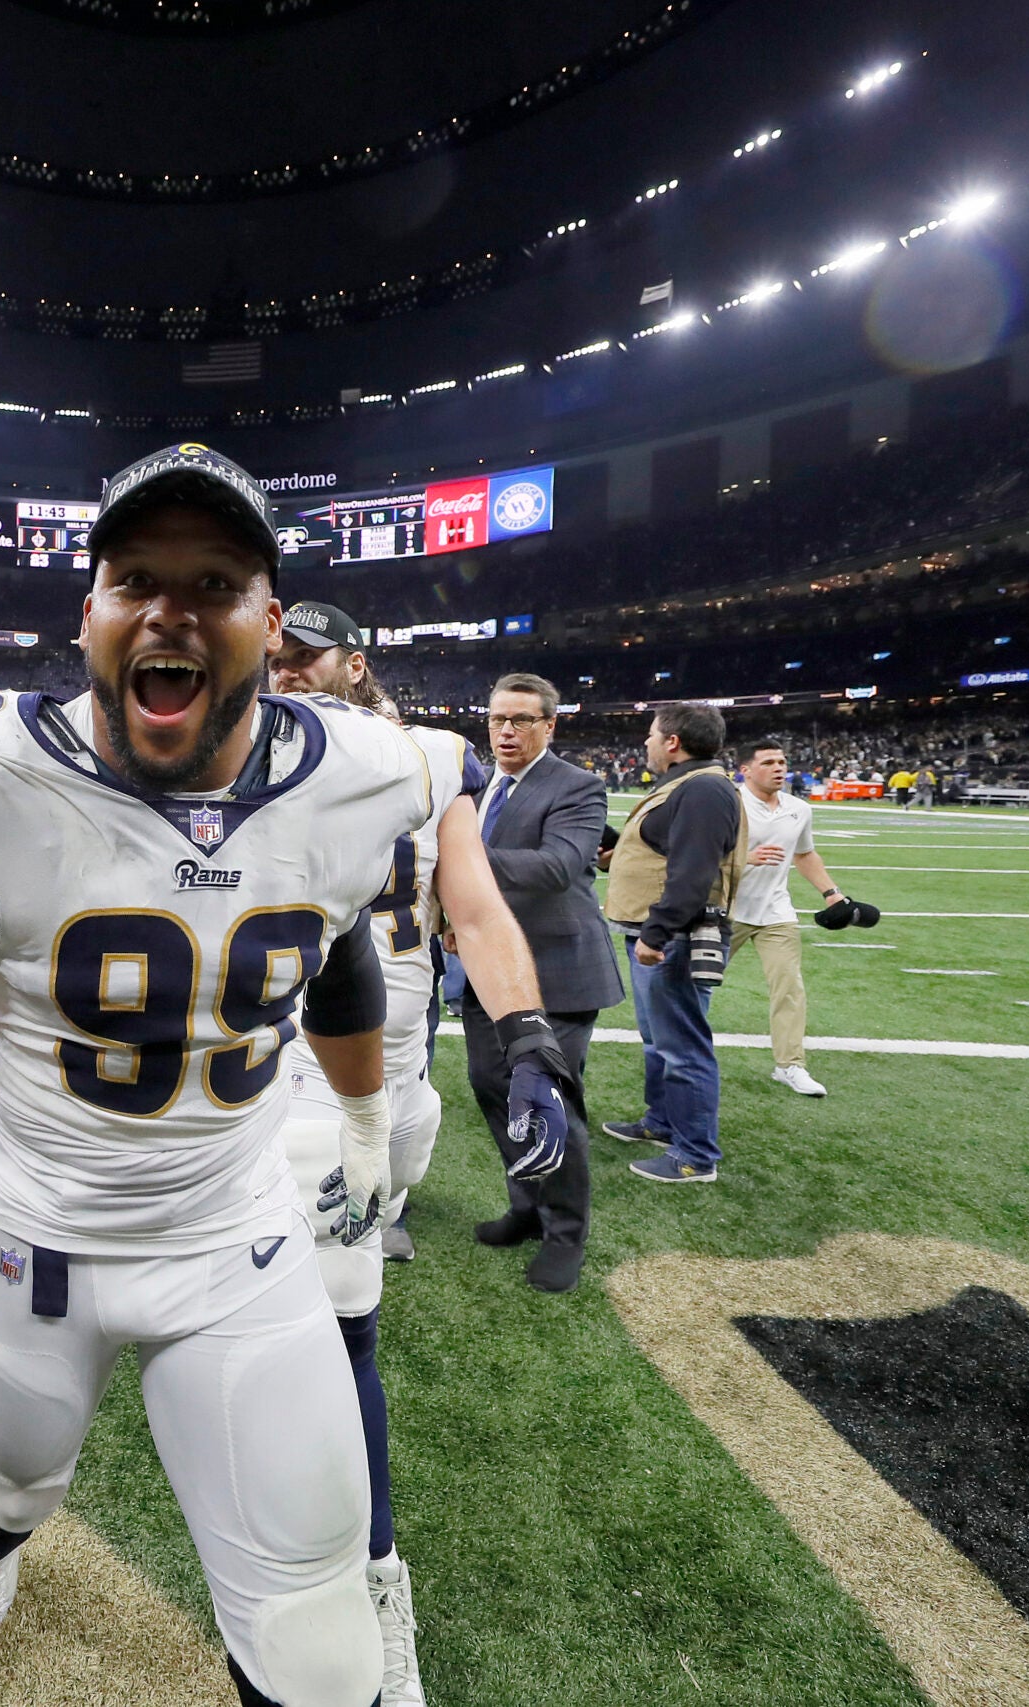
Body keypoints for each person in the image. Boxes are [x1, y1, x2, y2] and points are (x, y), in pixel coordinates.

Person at [0, 444, 579, 1707]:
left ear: (267, 620)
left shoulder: (364, 776)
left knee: (320, 1654)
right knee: (13, 1488)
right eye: (136, 576)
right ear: (85, 611)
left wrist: (364, 1120)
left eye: (216, 582)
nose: (172, 609)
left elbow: (342, 950)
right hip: (41, 1241)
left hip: (236, 1243)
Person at [270, 603, 563, 1705]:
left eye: (311, 651)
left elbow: (475, 911)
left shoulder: (432, 762)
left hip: (361, 1099)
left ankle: (378, 1584)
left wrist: (529, 1033)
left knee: (343, 1339)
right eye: (277, 649)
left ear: (357, 661)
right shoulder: (219, 747)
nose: (290, 667)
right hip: (244, 1087)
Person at [460, 670, 623, 1286]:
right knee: (493, 1088)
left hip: (558, 973)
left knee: (550, 1103)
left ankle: (565, 1234)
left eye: (522, 719)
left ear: (549, 726)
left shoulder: (578, 785)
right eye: (499, 717)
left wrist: (458, 861)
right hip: (487, 968)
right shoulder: (478, 785)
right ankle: (527, 1207)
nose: (506, 730)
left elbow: (558, 867)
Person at [600, 703, 747, 1184]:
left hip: (673, 939)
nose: (644, 743)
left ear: (672, 741)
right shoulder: (691, 783)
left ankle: (694, 1156)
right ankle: (662, 1123)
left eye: (650, 735)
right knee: (659, 1042)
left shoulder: (702, 787)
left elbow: (693, 872)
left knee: (683, 1047)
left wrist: (657, 932)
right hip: (661, 934)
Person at [735, 739, 861, 1098]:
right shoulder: (730, 803)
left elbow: (804, 854)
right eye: (769, 762)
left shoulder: (798, 809)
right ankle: (676, 1055)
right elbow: (703, 851)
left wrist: (832, 893)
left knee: (789, 987)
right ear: (745, 770)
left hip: (776, 911)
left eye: (782, 761)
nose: (779, 768)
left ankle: (790, 1065)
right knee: (694, 988)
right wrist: (746, 857)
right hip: (726, 910)